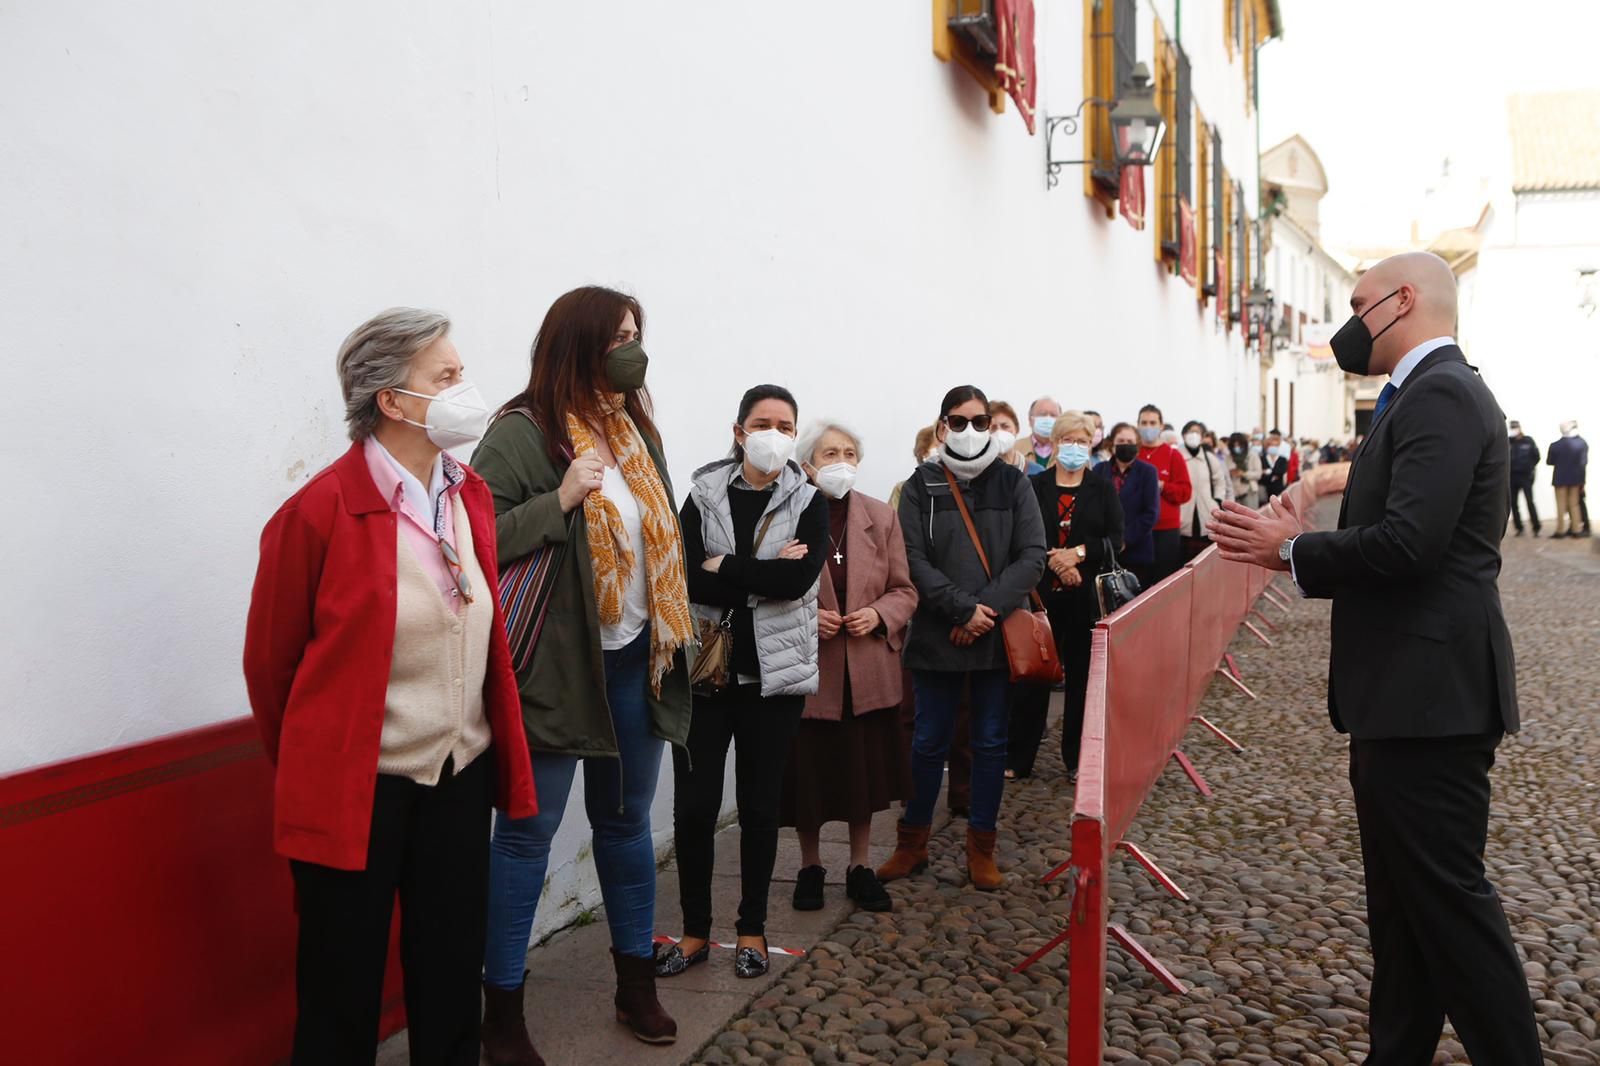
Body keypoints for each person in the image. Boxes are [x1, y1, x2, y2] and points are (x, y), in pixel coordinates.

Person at [1209, 251, 1541, 1065]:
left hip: (1431, 698)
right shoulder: (1427, 395)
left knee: (1450, 911)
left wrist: (1293, 551)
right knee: (1403, 911)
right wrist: (1324, 481)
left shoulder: (1444, 392)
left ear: (1402, 302)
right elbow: (1401, 486)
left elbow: (1411, 542)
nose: (1348, 322)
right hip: (1407, 695)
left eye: (1358, 304)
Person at [243, 308, 538, 1066]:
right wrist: (324, 764)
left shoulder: (467, 494)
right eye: (446, 377)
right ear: (391, 401)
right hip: (357, 792)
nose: (465, 389)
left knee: (447, 983)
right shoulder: (318, 514)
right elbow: (272, 670)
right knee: (342, 994)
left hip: (457, 777)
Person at [472, 287, 693, 1060]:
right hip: (556, 667)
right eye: (617, 337)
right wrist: (559, 500)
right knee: (527, 836)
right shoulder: (519, 433)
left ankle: (637, 984)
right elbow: (472, 542)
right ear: (579, 344)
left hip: (636, 657)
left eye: (638, 334)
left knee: (627, 824)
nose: (632, 349)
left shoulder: (635, 428)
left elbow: (660, 530)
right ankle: (502, 1012)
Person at [663, 385, 828, 981]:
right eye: (763, 423)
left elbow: (797, 582)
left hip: (773, 681)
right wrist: (759, 572)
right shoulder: (703, 493)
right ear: (739, 432)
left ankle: (752, 928)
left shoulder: (810, 499)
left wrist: (723, 566)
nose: (775, 434)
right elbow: (683, 576)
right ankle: (694, 931)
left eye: (786, 425)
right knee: (695, 808)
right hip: (706, 676)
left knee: (760, 808)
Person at [877, 386, 1046, 892]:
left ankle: (982, 847)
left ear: (991, 424)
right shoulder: (920, 485)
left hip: (994, 638)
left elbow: (1033, 556)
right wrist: (959, 608)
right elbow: (910, 559)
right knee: (928, 742)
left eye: (979, 421)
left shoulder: (1013, 485)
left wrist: (984, 611)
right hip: (937, 634)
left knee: (990, 744)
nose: (969, 430)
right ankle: (913, 843)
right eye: (958, 420)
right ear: (941, 425)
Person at [780, 421, 918, 914]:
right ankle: (810, 866)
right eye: (829, 452)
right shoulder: (788, 513)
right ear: (808, 462)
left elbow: (904, 589)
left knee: (863, 777)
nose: (841, 460)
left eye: (849, 452)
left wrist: (879, 614)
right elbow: (770, 584)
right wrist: (804, 616)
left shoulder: (881, 516)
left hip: (865, 670)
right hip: (811, 669)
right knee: (811, 776)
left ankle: (860, 865)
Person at [1008, 412, 1123, 781]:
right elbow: (1022, 535)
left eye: (1082, 441)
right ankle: (1019, 756)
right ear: (1054, 444)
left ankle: (1076, 759)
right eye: (1067, 440)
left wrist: (1079, 555)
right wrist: (1057, 562)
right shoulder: (1036, 485)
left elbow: (1116, 539)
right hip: (1041, 596)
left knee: (1081, 680)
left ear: (1090, 445)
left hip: (1085, 597)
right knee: (1033, 677)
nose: (1074, 448)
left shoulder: (1102, 487)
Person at [1096, 423, 1161, 590]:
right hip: (1103, 550)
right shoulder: (1099, 470)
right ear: (1112, 444)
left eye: (1130, 441)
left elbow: (1150, 513)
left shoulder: (1148, 472)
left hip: (1137, 552)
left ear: (1137, 445)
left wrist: (1124, 540)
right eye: (1121, 440)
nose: (1125, 445)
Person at [1135, 404, 1193, 582]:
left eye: (1153, 422)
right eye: (1144, 423)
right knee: (1138, 582)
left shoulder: (1172, 455)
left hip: (1166, 531)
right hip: (1136, 529)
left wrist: (1162, 486)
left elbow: (1185, 492)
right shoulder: (1133, 454)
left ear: (1161, 425)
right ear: (1137, 425)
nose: (1148, 427)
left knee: (1164, 581)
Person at [1178, 420, 1227, 562]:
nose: (1193, 435)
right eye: (1190, 432)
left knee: (1204, 559)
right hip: (1183, 516)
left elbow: (1219, 481)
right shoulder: (1176, 456)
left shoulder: (1209, 459)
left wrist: (1217, 502)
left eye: (1197, 432)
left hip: (1206, 513)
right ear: (1183, 435)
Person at [1548, 420, 1589, 539]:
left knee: (1561, 506)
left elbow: (1550, 461)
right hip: (1576, 479)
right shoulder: (1582, 443)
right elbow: (1584, 462)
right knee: (1574, 505)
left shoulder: (1555, 445)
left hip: (1560, 479)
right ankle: (1576, 529)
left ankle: (1560, 530)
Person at [1506, 421, 1541, 537]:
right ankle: (1519, 528)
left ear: (1520, 428)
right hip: (1512, 477)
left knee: (1530, 502)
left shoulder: (1528, 440)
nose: (1513, 430)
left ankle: (1536, 527)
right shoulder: (1508, 441)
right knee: (1513, 504)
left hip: (1525, 477)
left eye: (1515, 428)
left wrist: (1529, 468)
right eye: (1512, 428)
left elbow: (1536, 456)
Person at [988, 400, 1029, 471]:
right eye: (993, 427)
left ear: (1017, 429)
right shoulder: (978, 472)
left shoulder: (1036, 471)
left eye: (1005, 426)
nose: (999, 432)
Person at [1024, 396, 1062, 474]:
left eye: (1053, 415)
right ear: (1030, 420)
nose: (1048, 418)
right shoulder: (1015, 448)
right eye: (1042, 414)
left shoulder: (1067, 449)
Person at [1227, 432, 1263, 508]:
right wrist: (1231, 472)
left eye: (1239, 445)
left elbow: (1258, 474)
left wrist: (1244, 474)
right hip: (1234, 492)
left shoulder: (1252, 455)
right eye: (1234, 446)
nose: (1236, 447)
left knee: (1251, 516)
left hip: (1249, 490)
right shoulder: (1229, 457)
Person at [1261, 431, 1290, 499]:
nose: (1274, 447)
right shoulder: (1262, 458)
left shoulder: (1282, 459)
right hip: (1265, 489)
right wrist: (1273, 475)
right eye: (1272, 445)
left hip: (1278, 489)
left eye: (1276, 445)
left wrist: (1268, 472)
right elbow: (1261, 474)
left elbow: (1280, 472)